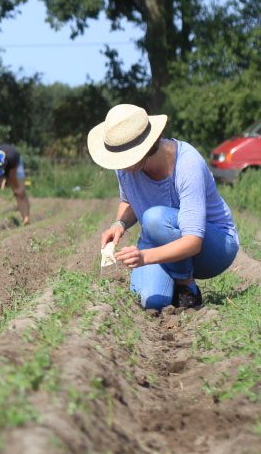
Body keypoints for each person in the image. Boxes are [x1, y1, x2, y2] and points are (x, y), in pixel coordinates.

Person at [89, 104, 237, 310]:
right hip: (161, 240)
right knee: (153, 301)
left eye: (125, 159)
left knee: (153, 218)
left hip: (214, 248)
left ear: (146, 148)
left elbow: (193, 241)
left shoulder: (187, 164)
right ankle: (173, 281)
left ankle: (187, 287)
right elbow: (130, 200)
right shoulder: (124, 166)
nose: (120, 166)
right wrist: (119, 223)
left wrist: (144, 257)